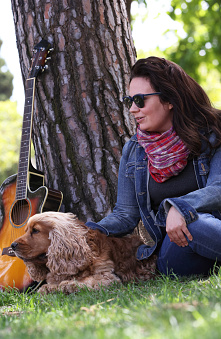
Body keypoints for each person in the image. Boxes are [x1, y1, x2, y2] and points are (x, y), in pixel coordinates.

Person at [86, 56, 221, 276]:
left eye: (139, 100)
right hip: (176, 252)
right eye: (129, 100)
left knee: (194, 220)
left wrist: (179, 207)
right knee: (192, 224)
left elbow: (218, 189)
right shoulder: (134, 150)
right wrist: (88, 231)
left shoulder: (213, 135)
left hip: (214, 230)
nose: (131, 109)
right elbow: (125, 215)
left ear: (169, 100)